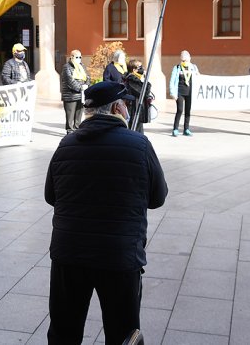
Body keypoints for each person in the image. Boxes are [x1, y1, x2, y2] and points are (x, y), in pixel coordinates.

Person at [45, 81, 168, 345]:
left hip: (70, 255)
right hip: (119, 256)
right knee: (123, 332)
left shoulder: (66, 144)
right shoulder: (139, 144)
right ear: (116, 107)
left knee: (63, 331)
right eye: (125, 104)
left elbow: (50, 196)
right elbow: (158, 198)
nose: (127, 109)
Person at [169, 50, 199, 137]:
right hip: (179, 92)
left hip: (190, 92)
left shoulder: (194, 67)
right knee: (180, 110)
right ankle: (175, 129)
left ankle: (186, 129)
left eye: (186, 60)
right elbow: (172, 80)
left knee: (188, 111)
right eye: (182, 60)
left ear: (190, 58)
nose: (184, 62)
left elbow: (198, 78)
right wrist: (172, 93)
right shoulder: (177, 67)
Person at [60, 50, 89, 134]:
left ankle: (77, 129)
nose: (79, 59)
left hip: (81, 94)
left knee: (79, 114)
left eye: (80, 57)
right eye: (77, 57)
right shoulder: (67, 67)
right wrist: (80, 88)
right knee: (70, 115)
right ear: (71, 57)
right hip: (70, 95)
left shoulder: (82, 66)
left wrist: (86, 85)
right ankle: (70, 131)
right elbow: (69, 80)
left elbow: (87, 77)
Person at [124, 60, 151, 133]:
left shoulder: (135, 79)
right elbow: (144, 92)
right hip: (134, 111)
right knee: (136, 132)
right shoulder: (132, 80)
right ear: (134, 70)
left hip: (136, 109)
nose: (142, 69)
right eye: (140, 67)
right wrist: (145, 80)